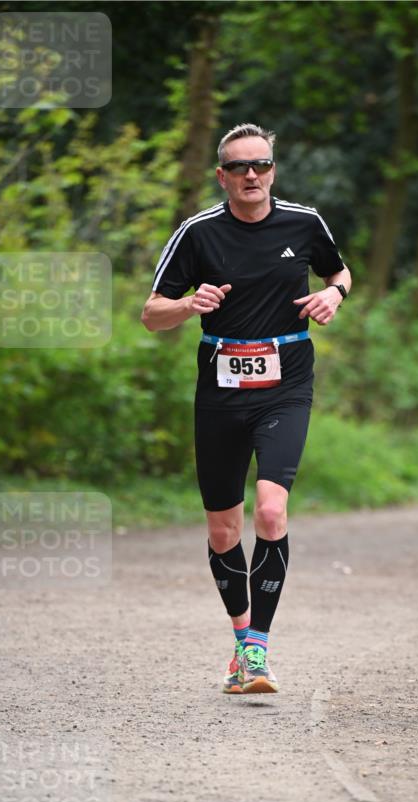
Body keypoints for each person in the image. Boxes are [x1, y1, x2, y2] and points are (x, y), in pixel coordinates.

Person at [141, 122, 351, 695]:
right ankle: (241, 642)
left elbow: (338, 269)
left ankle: (257, 651)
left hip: (287, 383)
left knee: (270, 514)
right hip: (220, 388)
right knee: (222, 527)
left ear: (272, 170)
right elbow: (151, 312)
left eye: (260, 165)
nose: (251, 175)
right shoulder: (197, 233)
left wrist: (334, 293)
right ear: (222, 176)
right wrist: (189, 305)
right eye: (239, 167)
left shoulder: (304, 223)